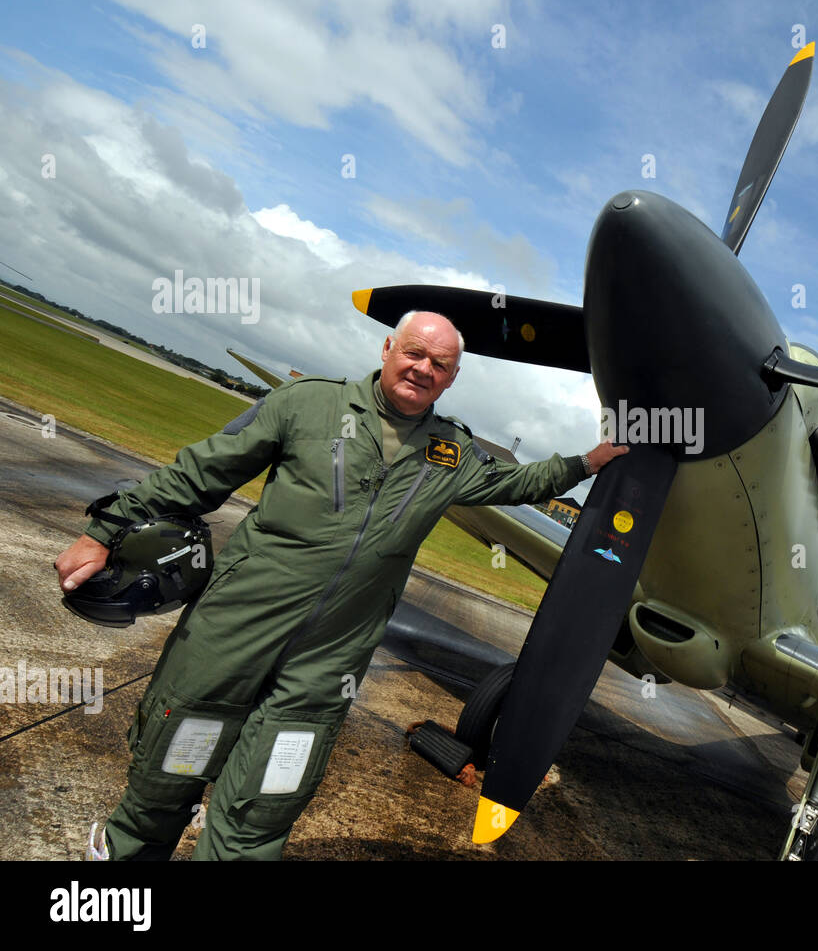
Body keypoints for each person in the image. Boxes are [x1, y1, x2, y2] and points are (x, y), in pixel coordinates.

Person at [55, 310, 627, 860]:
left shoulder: (452, 452)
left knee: (269, 799)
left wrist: (587, 461)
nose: (424, 368)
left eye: (441, 364)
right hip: (235, 624)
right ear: (388, 350)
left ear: (453, 378)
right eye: (415, 352)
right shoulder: (308, 403)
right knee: (173, 762)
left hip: (332, 655)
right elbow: (199, 473)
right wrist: (105, 531)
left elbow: (522, 481)